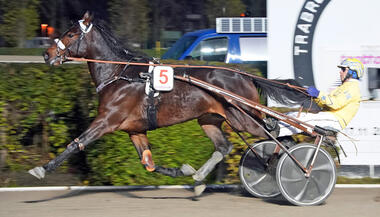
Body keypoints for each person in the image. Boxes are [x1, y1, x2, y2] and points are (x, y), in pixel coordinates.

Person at [278, 58, 364, 137]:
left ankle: (275, 132)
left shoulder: (352, 87)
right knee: (291, 115)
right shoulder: (343, 87)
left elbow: (335, 104)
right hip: (329, 115)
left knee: (301, 120)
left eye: (343, 69)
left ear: (352, 73)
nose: (340, 72)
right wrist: (314, 97)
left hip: (336, 119)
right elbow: (327, 103)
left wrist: (318, 94)